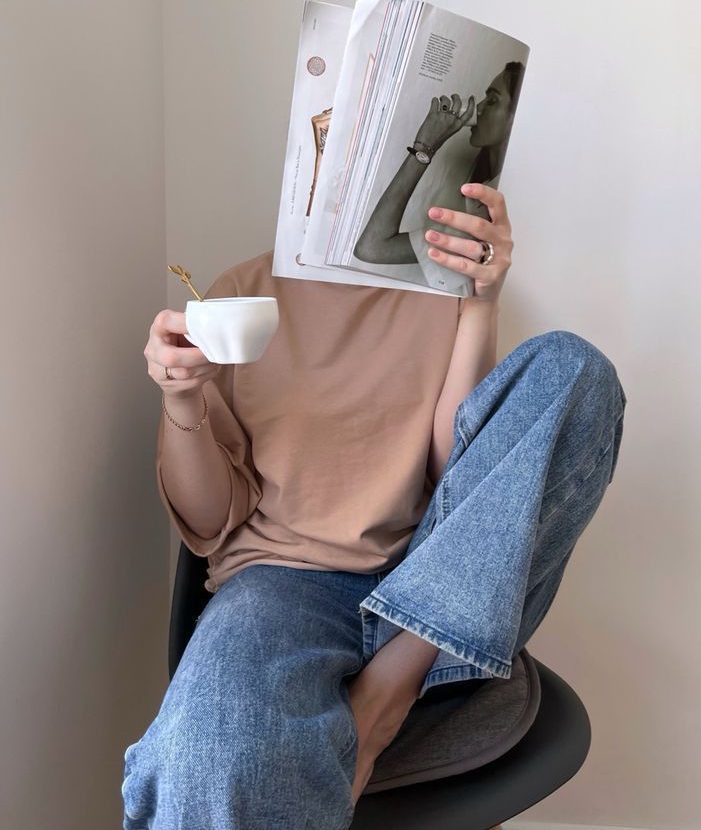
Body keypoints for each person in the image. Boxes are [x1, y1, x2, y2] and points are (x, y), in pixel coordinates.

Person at [122, 182, 627, 829]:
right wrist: (181, 398)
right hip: (284, 586)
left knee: (572, 368)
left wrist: (478, 306)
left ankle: (387, 695)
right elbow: (206, 520)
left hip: (443, 577)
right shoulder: (238, 293)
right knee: (198, 755)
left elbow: (458, 477)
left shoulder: (442, 291)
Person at [354, 61, 524, 295]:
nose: (479, 108)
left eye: (492, 101)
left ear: (518, 118)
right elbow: (371, 249)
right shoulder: (478, 196)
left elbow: (372, 248)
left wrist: (424, 147)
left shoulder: (492, 209)